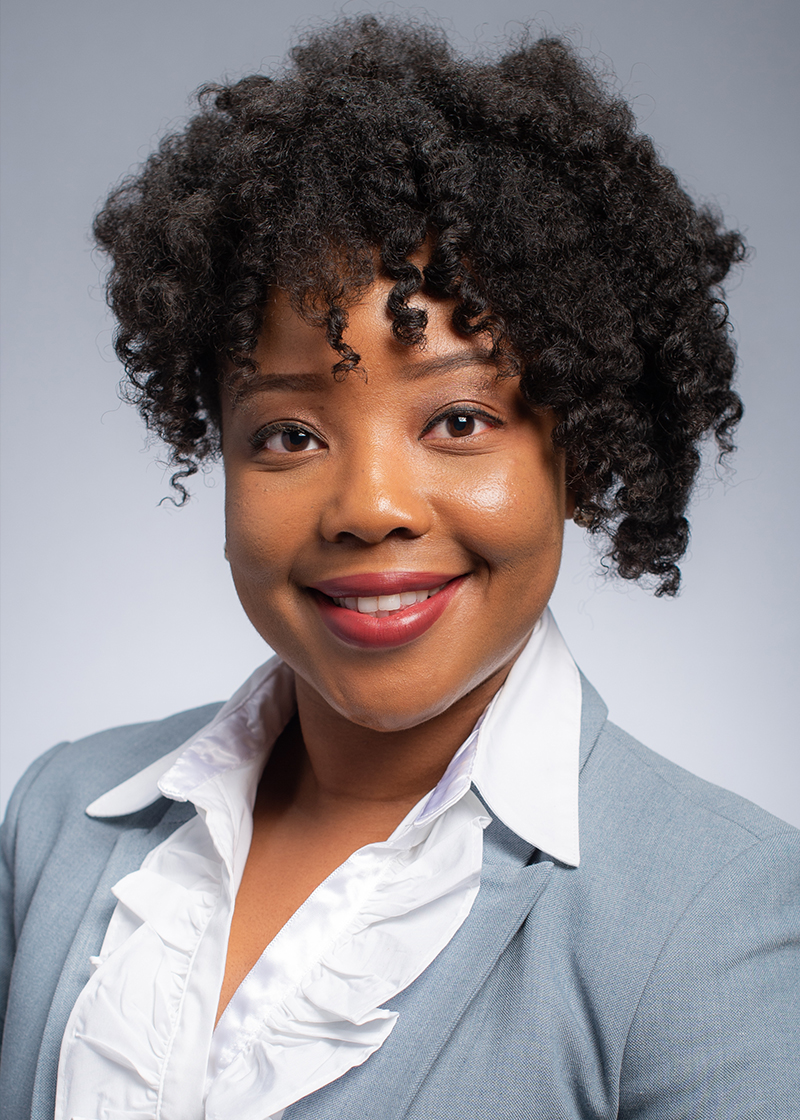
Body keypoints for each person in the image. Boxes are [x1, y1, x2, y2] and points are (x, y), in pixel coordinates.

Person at [1, 15, 798, 1120]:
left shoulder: (717, 919)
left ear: (578, 452)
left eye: (459, 419)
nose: (369, 508)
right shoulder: (58, 818)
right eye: (288, 434)